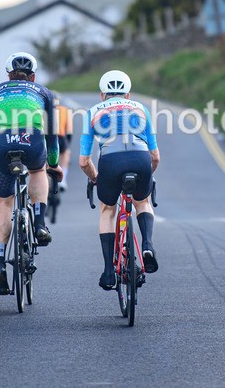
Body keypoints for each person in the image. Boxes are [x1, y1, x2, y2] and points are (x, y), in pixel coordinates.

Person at [0, 52, 63, 295]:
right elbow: (51, 135)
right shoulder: (43, 92)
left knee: (4, 203)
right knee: (38, 170)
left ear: (8, 75)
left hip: (0, 145)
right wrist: (52, 164)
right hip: (31, 140)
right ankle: (39, 224)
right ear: (33, 76)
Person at [79, 70, 161, 291]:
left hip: (110, 161)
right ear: (128, 95)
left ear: (102, 95)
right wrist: (147, 176)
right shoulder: (140, 108)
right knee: (142, 202)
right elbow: (155, 157)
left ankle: (108, 271)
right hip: (141, 158)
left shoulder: (92, 112)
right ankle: (147, 245)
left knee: (107, 209)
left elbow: (84, 161)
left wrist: (97, 178)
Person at [53, 94, 73, 191]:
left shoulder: (41, 109)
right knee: (65, 153)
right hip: (60, 136)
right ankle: (63, 180)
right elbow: (69, 131)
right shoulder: (64, 110)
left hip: (45, 137)